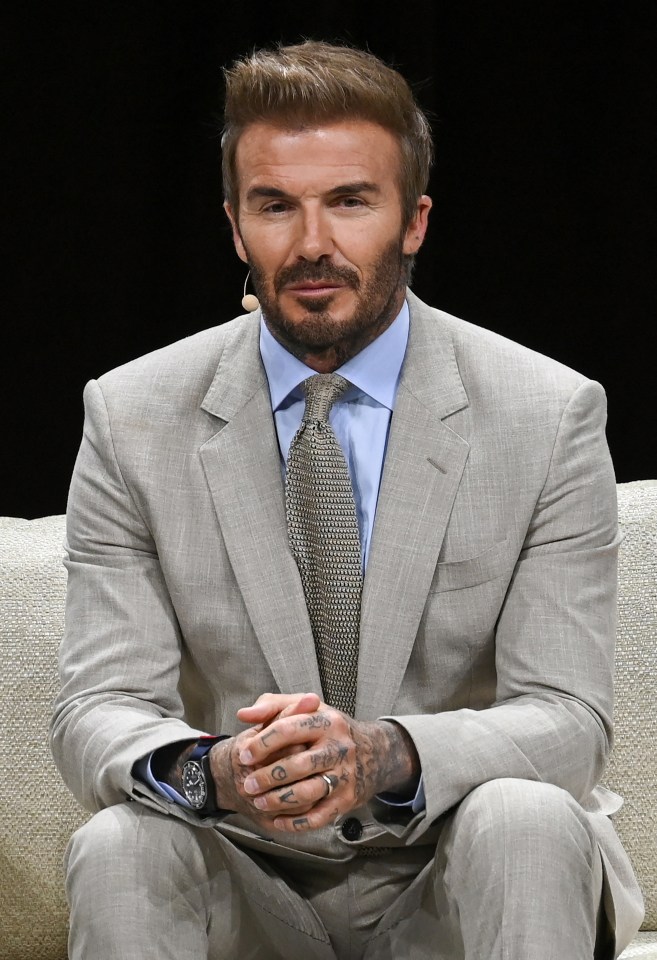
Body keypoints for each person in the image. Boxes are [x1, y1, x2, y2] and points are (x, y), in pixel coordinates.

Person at [51, 40, 643, 960]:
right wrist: (213, 771)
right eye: (275, 206)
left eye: (350, 201)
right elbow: (99, 709)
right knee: (121, 842)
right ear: (236, 227)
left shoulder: (546, 412)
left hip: (455, 864)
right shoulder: (131, 415)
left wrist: (383, 754)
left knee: (526, 816)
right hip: (243, 870)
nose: (313, 242)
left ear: (413, 221)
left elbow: (568, 720)